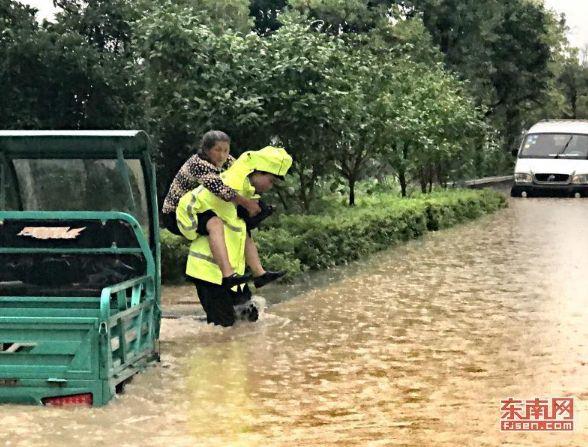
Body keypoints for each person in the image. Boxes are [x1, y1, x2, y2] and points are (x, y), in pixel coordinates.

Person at [176, 146, 292, 326]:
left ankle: (258, 275)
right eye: (270, 181)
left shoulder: (243, 193)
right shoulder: (226, 186)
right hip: (209, 275)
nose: (270, 187)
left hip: (234, 276)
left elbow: (240, 231)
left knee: (249, 321)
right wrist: (189, 226)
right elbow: (186, 204)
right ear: (257, 172)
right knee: (224, 330)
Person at [162, 130, 279, 288]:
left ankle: (259, 274)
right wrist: (246, 203)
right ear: (206, 150)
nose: (222, 155)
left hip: (200, 207)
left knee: (242, 227)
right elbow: (219, 189)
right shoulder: (198, 164)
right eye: (217, 150)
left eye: (226, 150)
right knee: (214, 223)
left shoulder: (227, 160)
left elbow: (241, 171)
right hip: (177, 214)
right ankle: (228, 275)